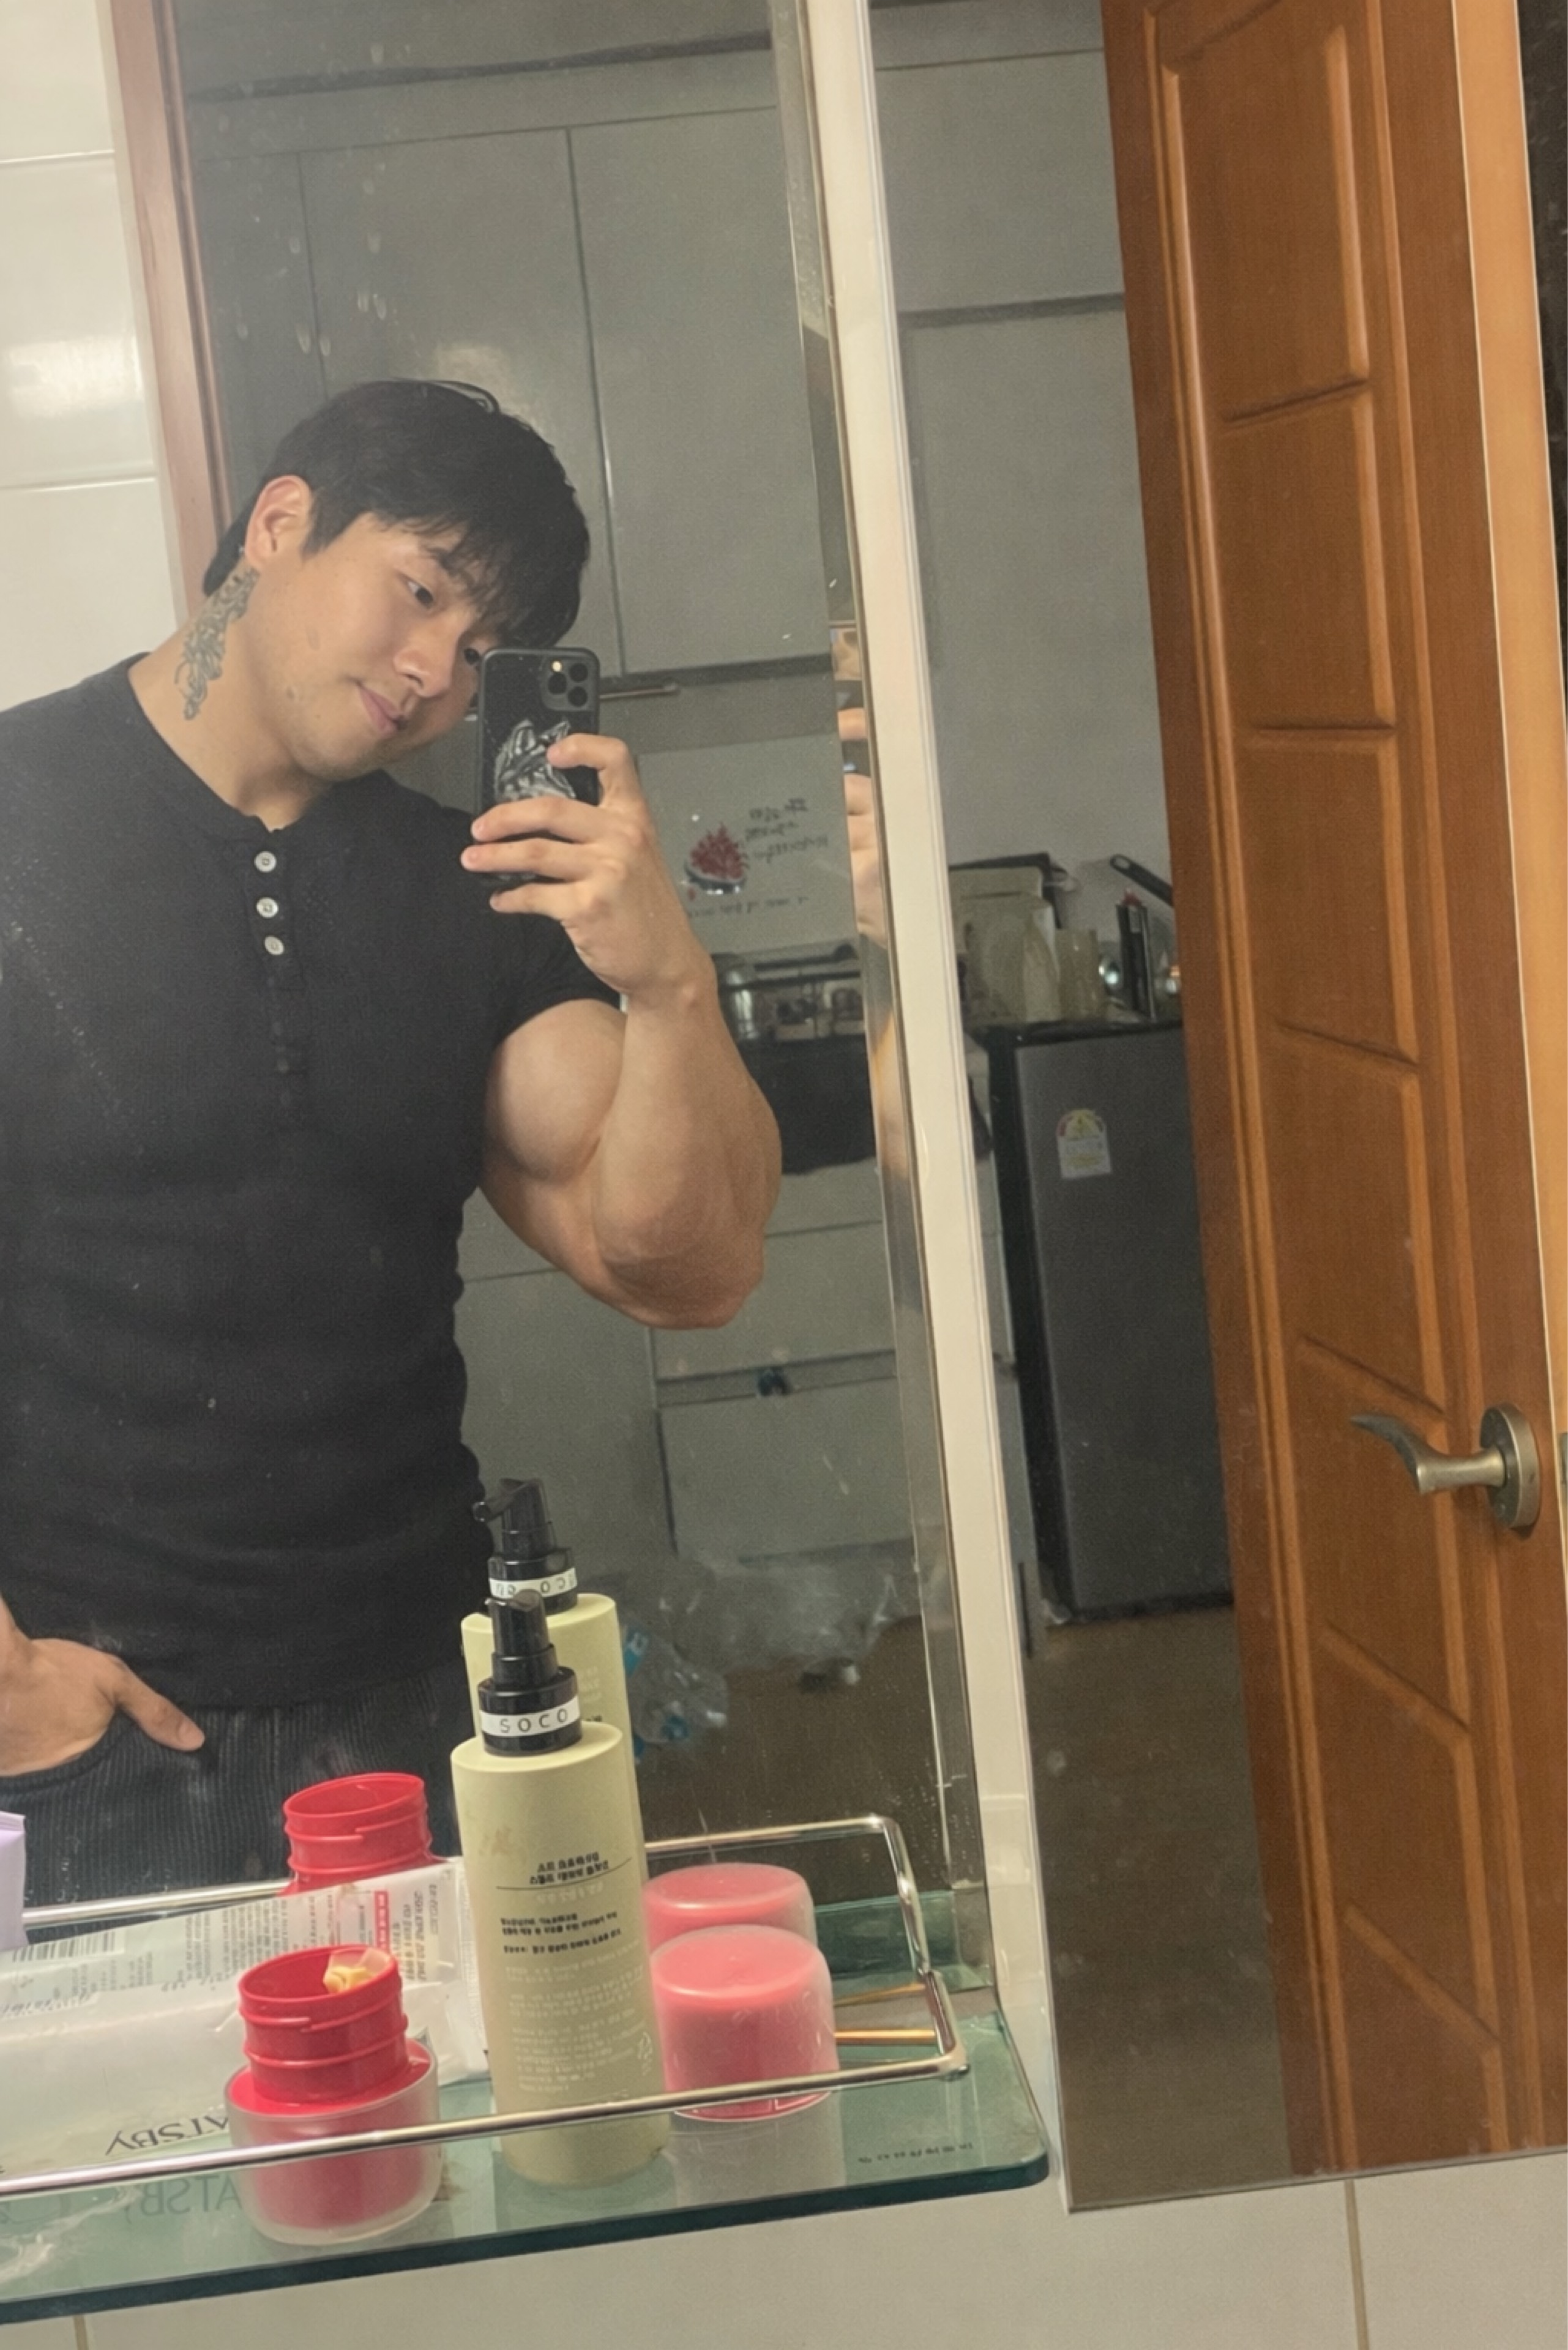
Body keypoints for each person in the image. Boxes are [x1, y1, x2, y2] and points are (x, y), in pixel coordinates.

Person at [0, 379, 780, 1904]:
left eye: (484, 651)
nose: (434, 675)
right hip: (88, 1733)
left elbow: (683, 1267)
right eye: (420, 591)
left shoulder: (470, 887)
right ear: (280, 524)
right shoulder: (15, 819)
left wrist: (666, 980)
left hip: (421, 1703)